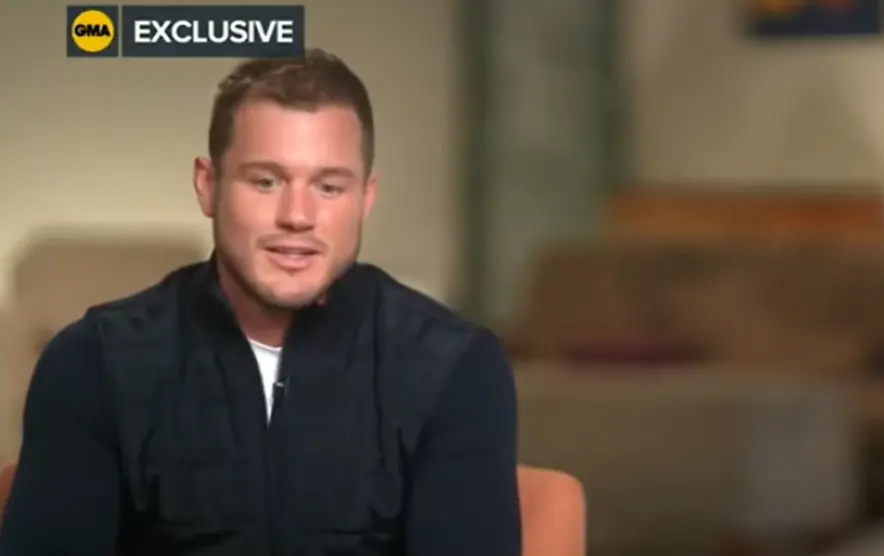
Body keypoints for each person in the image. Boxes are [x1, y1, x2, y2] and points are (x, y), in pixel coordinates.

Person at [0, 50, 522, 555]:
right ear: (209, 186)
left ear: (366, 198)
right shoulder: (94, 362)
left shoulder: (456, 367)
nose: (297, 215)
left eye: (329, 187)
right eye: (266, 181)